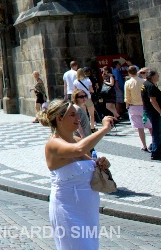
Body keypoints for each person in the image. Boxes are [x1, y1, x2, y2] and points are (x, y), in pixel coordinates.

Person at [39, 99, 116, 250]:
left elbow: (88, 163)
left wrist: (100, 163)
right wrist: (105, 129)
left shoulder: (77, 140)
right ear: (59, 119)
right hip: (67, 210)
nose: (78, 118)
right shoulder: (53, 144)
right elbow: (78, 150)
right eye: (72, 115)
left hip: (88, 210)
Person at [125, 67, 152, 151]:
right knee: (150, 127)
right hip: (144, 106)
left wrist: (127, 105)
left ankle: (144, 145)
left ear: (129, 73)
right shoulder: (143, 82)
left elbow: (127, 97)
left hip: (133, 106)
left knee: (140, 128)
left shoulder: (128, 83)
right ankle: (155, 142)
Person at [141, 69, 161, 160]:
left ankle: (153, 146)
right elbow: (152, 100)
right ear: (152, 76)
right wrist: (160, 111)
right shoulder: (150, 86)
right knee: (157, 132)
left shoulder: (146, 84)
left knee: (157, 131)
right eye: (157, 75)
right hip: (153, 111)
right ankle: (155, 152)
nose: (158, 76)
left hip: (149, 110)